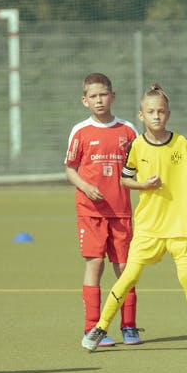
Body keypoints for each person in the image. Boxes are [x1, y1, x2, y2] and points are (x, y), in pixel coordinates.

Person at [81, 84, 187, 355]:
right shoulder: (136, 146)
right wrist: (143, 185)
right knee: (128, 276)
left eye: (161, 111)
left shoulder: (180, 143)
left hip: (179, 227)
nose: (156, 116)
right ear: (141, 115)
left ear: (168, 114)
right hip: (149, 228)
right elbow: (125, 178)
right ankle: (100, 327)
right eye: (150, 112)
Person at [65, 72, 140, 346]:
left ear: (113, 96)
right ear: (85, 100)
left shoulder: (128, 130)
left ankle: (129, 326)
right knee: (95, 264)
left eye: (103, 95)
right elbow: (70, 169)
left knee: (125, 268)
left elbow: (137, 167)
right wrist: (86, 187)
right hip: (91, 211)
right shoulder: (80, 131)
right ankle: (92, 328)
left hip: (121, 211)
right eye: (93, 96)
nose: (99, 100)